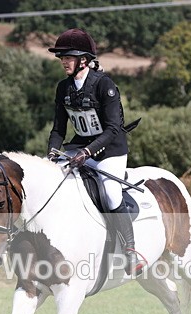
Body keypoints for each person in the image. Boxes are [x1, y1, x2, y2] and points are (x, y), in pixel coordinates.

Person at [46, 28, 145, 276]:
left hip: (110, 150)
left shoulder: (105, 86)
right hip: (79, 147)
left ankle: (130, 251)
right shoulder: (63, 88)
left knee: (111, 194)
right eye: (62, 58)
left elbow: (113, 129)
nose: (63, 62)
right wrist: (51, 154)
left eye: (68, 57)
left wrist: (87, 153)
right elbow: (58, 128)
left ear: (84, 60)